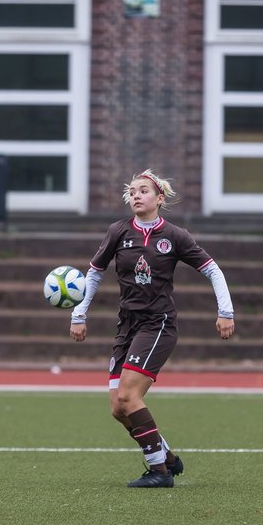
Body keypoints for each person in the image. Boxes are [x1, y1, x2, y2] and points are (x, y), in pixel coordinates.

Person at [69, 169, 236, 488]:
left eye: (143, 190)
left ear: (160, 198)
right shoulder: (118, 231)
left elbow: (213, 270)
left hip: (157, 324)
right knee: (119, 409)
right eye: (132, 191)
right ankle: (168, 457)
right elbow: (93, 273)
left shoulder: (175, 236)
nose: (136, 195)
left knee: (129, 396)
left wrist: (225, 311)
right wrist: (80, 314)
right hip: (126, 326)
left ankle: (159, 471)